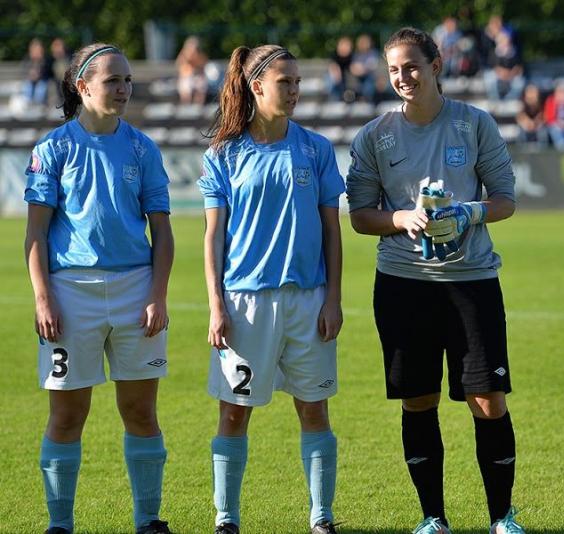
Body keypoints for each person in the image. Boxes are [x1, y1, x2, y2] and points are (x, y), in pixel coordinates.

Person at [346, 27, 525, 534]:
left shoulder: (474, 124)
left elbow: (506, 200)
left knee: (487, 400)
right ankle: (433, 518)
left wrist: (470, 212)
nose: (403, 77)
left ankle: (502, 518)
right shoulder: (375, 135)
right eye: (394, 69)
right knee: (418, 399)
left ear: (436, 64)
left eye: (412, 66)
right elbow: (360, 215)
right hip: (403, 286)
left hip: (471, 283)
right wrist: (400, 218)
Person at [24, 43, 174, 534]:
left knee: (140, 411)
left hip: (136, 290)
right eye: (113, 81)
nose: (124, 89)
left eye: (128, 80)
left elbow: (163, 232)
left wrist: (157, 294)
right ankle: (59, 523)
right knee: (67, 415)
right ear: (83, 87)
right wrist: (44, 297)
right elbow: (36, 235)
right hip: (71, 293)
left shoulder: (142, 148)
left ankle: (149, 520)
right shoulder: (52, 149)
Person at [199, 44, 345, 534]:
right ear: (257, 85)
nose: (295, 91)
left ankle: (322, 518)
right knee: (234, 414)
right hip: (244, 303)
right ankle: (227, 519)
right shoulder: (224, 152)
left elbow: (331, 231)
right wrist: (216, 305)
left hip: (308, 299)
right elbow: (213, 237)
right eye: (286, 82)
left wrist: (334, 298)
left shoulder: (316, 149)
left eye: (298, 82)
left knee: (314, 409)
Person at [176, 36, 209, 105]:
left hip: (198, 77)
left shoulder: (201, 56)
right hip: (186, 78)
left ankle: (198, 105)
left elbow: (203, 68)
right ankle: (186, 105)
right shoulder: (183, 56)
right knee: (186, 85)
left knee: (201, 84)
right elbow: (183, 70)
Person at [22, 38, 53, 105]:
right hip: (30, 81)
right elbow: (24, 71)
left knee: (40, 88)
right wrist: (30, 75)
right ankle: (28, 104)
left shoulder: (45, 60)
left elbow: (47, 72)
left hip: (42, 80)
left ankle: (37, 105)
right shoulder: (27, 59)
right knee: (27, 86)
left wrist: (39, 74)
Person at [350, 34, 380, 102]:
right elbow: (353, 68)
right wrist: (360, 69)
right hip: (357, 77)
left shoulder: (373, 53)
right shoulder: (356, 54)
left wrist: (362, 69)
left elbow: (372, 66)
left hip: (370, 77)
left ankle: (366, 100)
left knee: (369, 82)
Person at [327, 36, 354, 102]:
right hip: (334, 78)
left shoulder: (351, 57)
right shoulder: (334, 55)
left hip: (344, 79)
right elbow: (333, 67)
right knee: (332, 81)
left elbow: (353, 68)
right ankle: (332, 101)